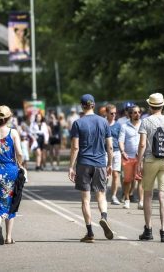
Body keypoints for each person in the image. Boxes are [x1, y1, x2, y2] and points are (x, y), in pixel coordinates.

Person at [68, 94, 114, 243]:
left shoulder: (77, 123)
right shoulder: (104, 122)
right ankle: (104, 217)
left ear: (82, 106)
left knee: (85, 200)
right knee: (101, 195)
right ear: (93, 105)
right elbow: (110, 147)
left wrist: (71, 166)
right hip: (100, 162)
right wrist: (110, 164)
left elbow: (75, 147)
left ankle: (90, 233)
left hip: (84, 163)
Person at [137, 93, 164, 243]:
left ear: (150, 106)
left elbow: (142, 144)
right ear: (162, 106)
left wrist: (138, 163)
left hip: (150, 160)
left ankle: (148, 229)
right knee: (163, 195)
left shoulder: (145, 122)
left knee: (148, 194)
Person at [0, 105, 25, 245]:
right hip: (10, 170)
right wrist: (20, 165)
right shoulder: (13, 132)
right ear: (9, 118)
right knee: (11, 202)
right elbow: (19, 153)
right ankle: (9, 237)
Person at [118, 104, 142, 209]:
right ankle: (127, 199)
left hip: (141, 157)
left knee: (140, 179)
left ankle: (141, 201)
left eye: (138, 112)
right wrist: (123, 152)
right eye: (135, 112)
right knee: (127, 180)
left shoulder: (143, 125)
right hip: (128, 157)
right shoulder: (124, 126)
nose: (137, 114)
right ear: (130, 114)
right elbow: (121, 141)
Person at [105, 104, 122, 205]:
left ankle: (114, 196)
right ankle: (103, 193)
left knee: (116, 174)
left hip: (116, 151)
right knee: (106, 175)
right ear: (106, 113)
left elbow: (121, 139)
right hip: (105, 152)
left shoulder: (118, 125)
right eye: (111, 113)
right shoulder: (103, 123)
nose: (114, 115)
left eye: (115, 113)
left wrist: (123, 151)